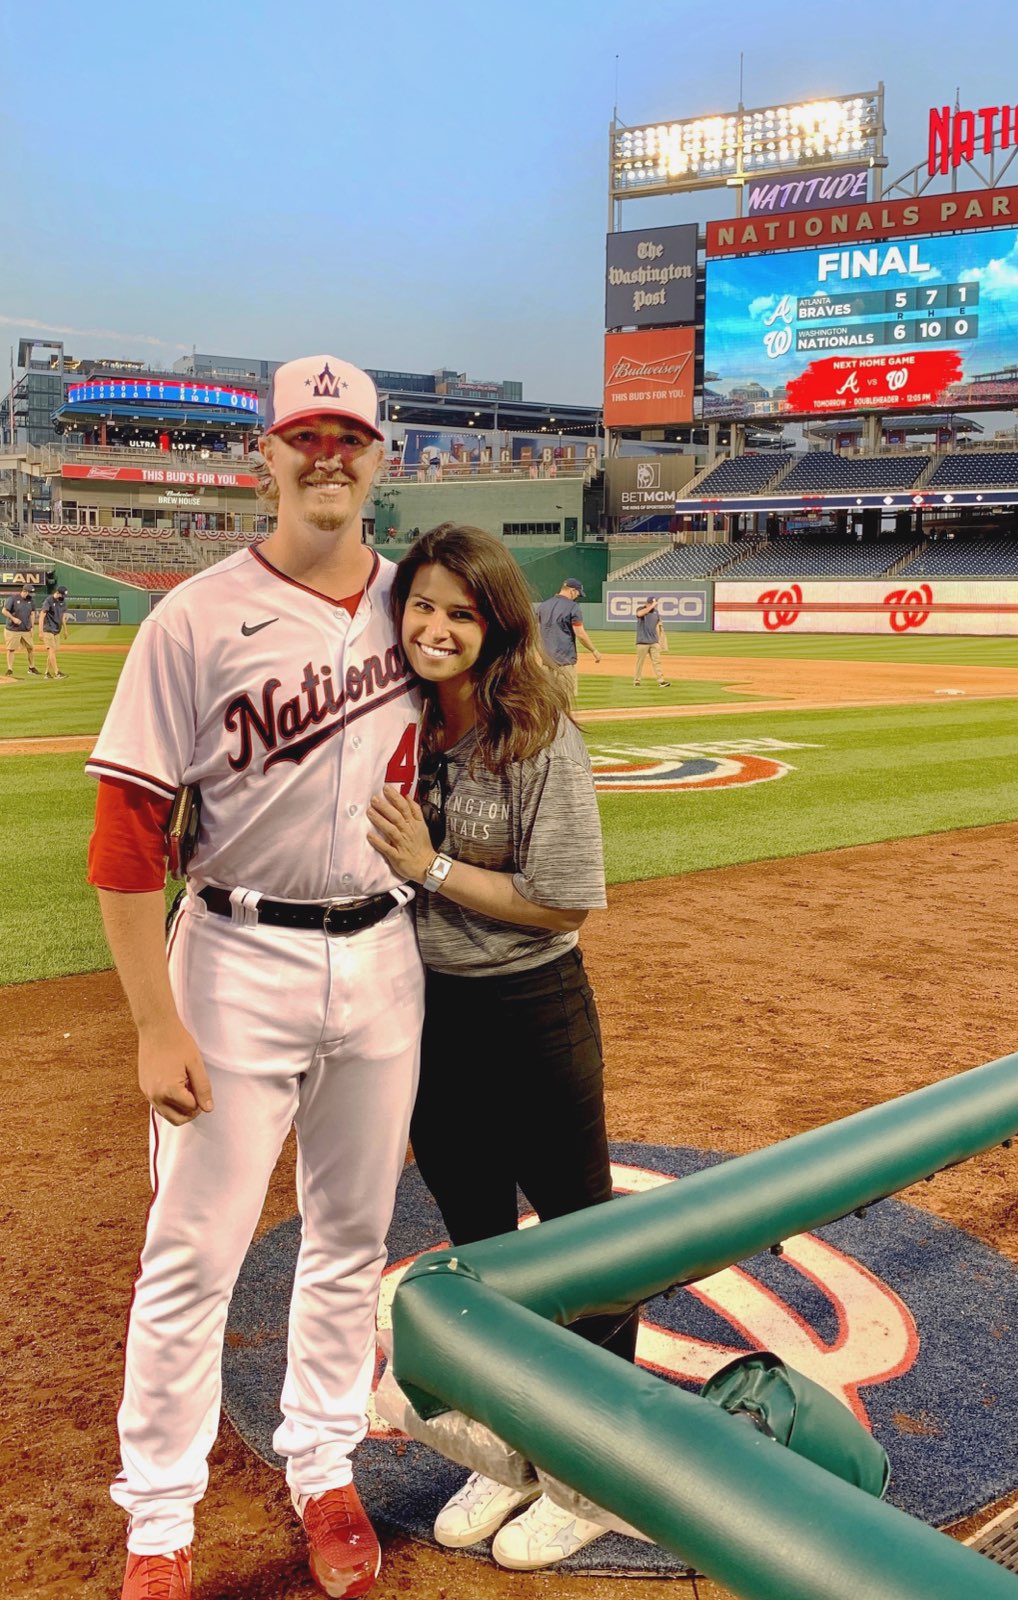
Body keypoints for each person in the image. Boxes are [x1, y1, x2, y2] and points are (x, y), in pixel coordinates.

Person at [86, 355, 425, 1600]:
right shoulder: (193, 615)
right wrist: (151, 1021)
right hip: (232, 956)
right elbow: (126, 837)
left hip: (383, 954)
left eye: (349, 436)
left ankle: (322, 1461)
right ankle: (161, 1523)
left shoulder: (417, 608)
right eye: (305, 436)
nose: (326, 455)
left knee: (349, 1232)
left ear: (379, 458)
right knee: (195, 1248)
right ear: (267, 457)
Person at [366, 523, 635, 1572]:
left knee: (581, 1238)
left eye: (459, 611)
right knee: (476, 1240)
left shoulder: (535, 731)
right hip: (424, 1012)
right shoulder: (396, 721)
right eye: (421, 605)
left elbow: (563, 898)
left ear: (496, 623)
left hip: (530, 1008)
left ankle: (592, 1469)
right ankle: (509, 1445)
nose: (435, 627)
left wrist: (431, 870)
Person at [535, 577, 600, 697]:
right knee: (565, 703)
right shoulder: (572, 607)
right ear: (572, 591)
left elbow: (536, 634)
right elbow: (580, 634)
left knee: (548, 704)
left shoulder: (542, 606)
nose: (577, 597)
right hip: (564, 663)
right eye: (577, 594)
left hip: (546, 664)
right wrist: (594, 650)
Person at [632, 596, 670, 687]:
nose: (654, 605)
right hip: (642, 642)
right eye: (651, 603)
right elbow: (639, 614)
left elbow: (657, 626)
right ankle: (637, 681)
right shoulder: (641, 609)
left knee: (657, 662)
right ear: (647, 603)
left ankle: (661, 681)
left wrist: (658, 640)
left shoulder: (656, 613)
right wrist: (650, 606)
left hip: (653, 642)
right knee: (640, 662)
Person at [3, 583, 40, 676]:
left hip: (25, 629)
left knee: (31, 648)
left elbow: (32, 613)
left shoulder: (31, 600)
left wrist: (31, 626)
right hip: (12, 629)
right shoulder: (13, 599)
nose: (31, 595)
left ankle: (31, 667)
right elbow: (4, 611)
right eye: (30, 593)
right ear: (25, 591)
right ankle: (10, 669)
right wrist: (13, 618)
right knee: (11, 649)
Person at [40, 586, 69, 678]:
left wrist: (65, 630)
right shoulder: (49, 600)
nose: (63, 597)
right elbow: (42, 616)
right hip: (48, 629)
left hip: (57, 630)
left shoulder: (63, 602)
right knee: (51, 650)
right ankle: (57, 673)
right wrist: (41, 632)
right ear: (58, 592)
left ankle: (47, 673)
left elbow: (62, 617)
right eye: (62, 594)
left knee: (52, 652)